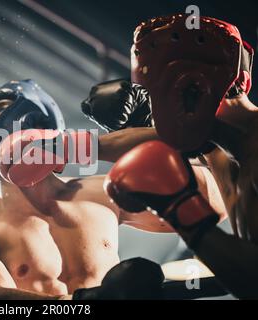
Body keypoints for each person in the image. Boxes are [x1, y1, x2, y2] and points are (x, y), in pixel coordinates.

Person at [0, 79, 226, 300]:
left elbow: (215, 204)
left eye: (0, 106)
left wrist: (148, 127)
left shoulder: (103, 191)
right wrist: (86, 301)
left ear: (38, 121)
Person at [105, 14, 258, 299]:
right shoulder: (221, 150)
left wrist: (182, 211)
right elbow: (137, 141)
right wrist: (63, 147)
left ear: (192, 86)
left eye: (155, 96)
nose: (154, 112)